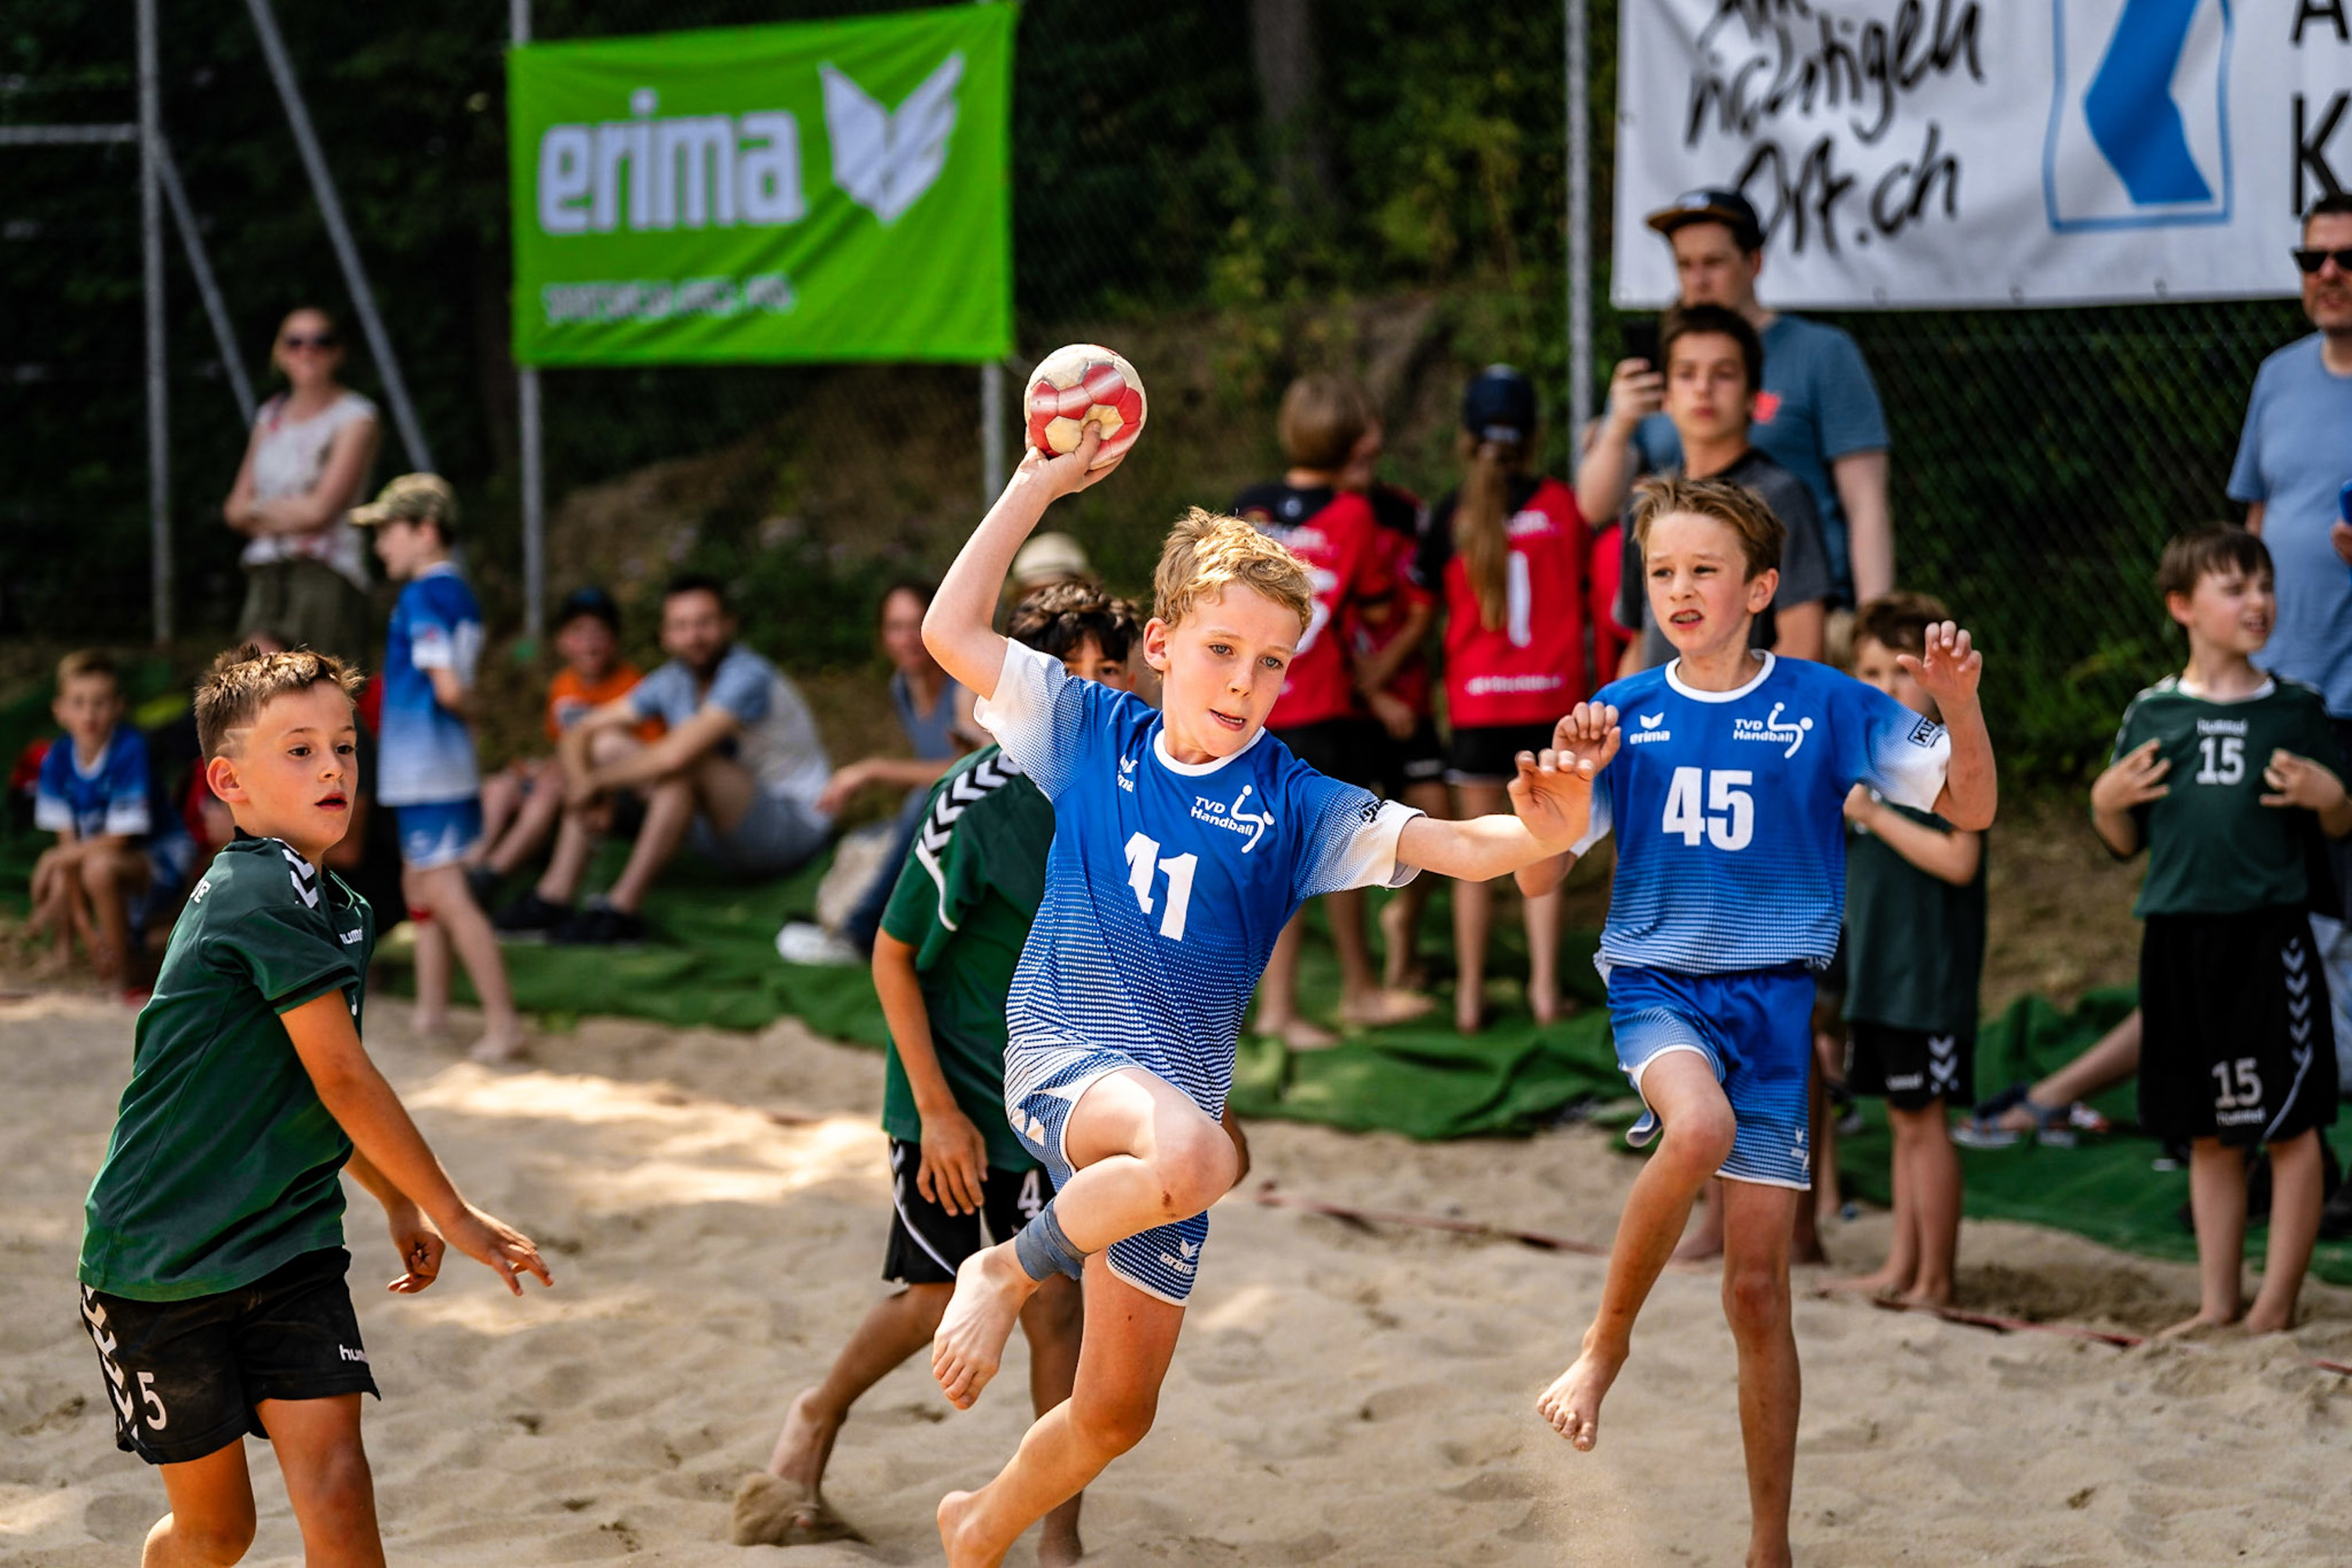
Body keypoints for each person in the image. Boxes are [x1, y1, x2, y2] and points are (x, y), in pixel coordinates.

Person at [916, 428, 1600, 1567]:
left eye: (1272, 662)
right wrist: (1036, 480)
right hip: (1060, 1056)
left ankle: (977, 1527)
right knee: (1204, 1155)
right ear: (1162, 643)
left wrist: (1546, 832)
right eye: (1222, 649)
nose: (1244, 680)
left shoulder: (1295, 799)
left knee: (1116, 1416)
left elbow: (1458, 845)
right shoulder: (1090, 727)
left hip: (1168, 1125)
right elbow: (950, 632)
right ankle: (1004, 1267)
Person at [1517, 475, 1994, 1568]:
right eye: (1661, 572)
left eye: (1704, 570)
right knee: (1696, 1131)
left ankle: (1768, 1547)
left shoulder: (1827, 705)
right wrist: (1554, 796)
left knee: (1756, 1287)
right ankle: (1601, 1350)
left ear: (1763, 587)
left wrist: (1958, 705)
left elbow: (1971, 809)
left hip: (1776, 1010)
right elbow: (1539, 881)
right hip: (1659, 987)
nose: (1679, 589)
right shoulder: (1620, 712)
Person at [77, 645, 550, 1567]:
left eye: (344, 744)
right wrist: (452, 1211)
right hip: (159, 1262)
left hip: (289, 1243)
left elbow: (317, 1087)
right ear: (229, 781)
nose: (333, 766)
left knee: (337, 1484)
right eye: (298, 749)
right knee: (219, 1532)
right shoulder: (256, 888)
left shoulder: (339, 904)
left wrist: (395, 1198)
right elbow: (345, 1078)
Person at [732, 584, 1138, 1561]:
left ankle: (1060, 1536)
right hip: (951, 1091)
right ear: (1023, 691)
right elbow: (891, 952)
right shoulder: (979, 798)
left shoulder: (1144, 798)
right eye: (1066, 678)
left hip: (1056, 1100)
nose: (1090, 697)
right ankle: (813, 1422)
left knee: (1059, 1304)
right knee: (932, 1296)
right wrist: (936, 1111)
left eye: (1110, 675)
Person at [2089, 526, 2350, 1337]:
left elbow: (2341, 823)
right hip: (2176, 937)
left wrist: (2329, 792)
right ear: (2182, 605)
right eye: (2235, 588)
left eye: (2264, 586)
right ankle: (2217, 1300)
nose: (2259, 602)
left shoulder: (2297, 710)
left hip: (2268, 940)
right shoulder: (2153, 710)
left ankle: (2275, 1304)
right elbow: (2126, 841)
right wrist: (2105, 801)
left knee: (2288, 1124)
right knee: (2207, 1127)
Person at [1233, 373, 1433, 1043]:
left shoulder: (1247, 508)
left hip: (1249, 707)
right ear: (1351, 440)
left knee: (1273, 855)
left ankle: (1302, 1002)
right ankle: (1329, 999)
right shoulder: (1353, 515)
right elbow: (1373, 608)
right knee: (1333, 853)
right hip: (1317, 710)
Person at [1579, 189, 1893, 608]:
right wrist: (1618, 427)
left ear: (1754, 262)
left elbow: (1866, 502)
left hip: (1803, 605)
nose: (1698, 280)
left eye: (1713, 263)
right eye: (1685, 265)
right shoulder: (1658, 365)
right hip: (1689, 612)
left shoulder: (1821, 354)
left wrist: (1874, 622)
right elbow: (1595, 506)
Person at [497, 574, 834, 944]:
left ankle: (622, 908)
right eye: (682, 626)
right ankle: (554, 898)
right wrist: (582, 782)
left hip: (791, 828)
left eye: (705, 623)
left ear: (728, 625)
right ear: (666, 635)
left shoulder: (746, 675)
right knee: (607, 745)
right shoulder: (672, 679)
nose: (694, 636)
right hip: (720, 829)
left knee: (686, 761)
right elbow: (580, 731)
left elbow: (676, 755)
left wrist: (596, 783)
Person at [1415, 365, 1592, 1033]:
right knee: (1545, 848)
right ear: (1535, 434)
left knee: (1472, 856)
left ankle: (1467, 998)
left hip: (1476, 712)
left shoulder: (1449, 513)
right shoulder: (1562, 506)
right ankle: (1545, 991)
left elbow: (1426, 612)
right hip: (1548, 707)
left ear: (1466, 437)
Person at [1825, 593, 1987, 1308]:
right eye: (1866, 673)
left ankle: (1937, 1279)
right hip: (1879, 975)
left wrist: (1873, 818)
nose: (1882, 689)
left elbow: (1960, 860)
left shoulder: (1948, 752)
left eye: (1897, 673)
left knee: (1926, 1122)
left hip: (1928, 975)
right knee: (1900, 1118)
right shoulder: (1867, 759)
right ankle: (1902, 1265)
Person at [2229, 192, 2352, 1079]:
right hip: (2279, 694)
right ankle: (2289, 1127)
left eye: (2348, 259)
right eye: (2314, 261)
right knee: (2281, 924)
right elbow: (2255, 524)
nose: (2331, 276)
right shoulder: (2277, 374)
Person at [354, 474, 527, 1064]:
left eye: (388, 532)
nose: (381, 548)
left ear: (425, 531)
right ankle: (432, 1013)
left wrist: (477, 715)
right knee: (420, 886)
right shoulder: (460, 593)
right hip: (433, 767)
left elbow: (449, 689)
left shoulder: (423, 596)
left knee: (447, 893)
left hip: (426, 769)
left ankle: (504, 1024)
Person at [1612, 305, 1833, 672]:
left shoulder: (1780, 496)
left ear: (1753, 397)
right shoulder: (1645, 504)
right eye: (1686, 374)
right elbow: (1640, 642)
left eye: (1724, 374)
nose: (1703, 388)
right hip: (1664, 723)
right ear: (1665, 395)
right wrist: (1620, 716)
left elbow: (1802, 643)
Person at [464, 586, 659, 902]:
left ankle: (493, 876)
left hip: (615, 789)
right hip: (572, 776)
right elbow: (561, 743)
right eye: (579, 632)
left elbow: (649, 756)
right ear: (563, 641)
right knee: (501, 786)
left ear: (615, 640)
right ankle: (470, 865)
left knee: (551, 784)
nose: (590, 642)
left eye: (600, 632)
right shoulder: (563, 685)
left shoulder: (635, 687)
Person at [1346, 429, 1451, 994]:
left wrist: (1385, 680)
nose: (1365, 445)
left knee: (1436, 818)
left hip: (1405, 696)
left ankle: (1403, 925)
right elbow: (1318, 626)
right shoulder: (1317, 517)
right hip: (1348, 707)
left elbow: (1422, 610)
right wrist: (1370, 695)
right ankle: (1361, 980)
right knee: (1347, 838)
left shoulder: (1407, 512)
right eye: (1351, 437)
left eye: (1369, 434)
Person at [220, 307, 381, 666]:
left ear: (338, 352)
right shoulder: (271, 414)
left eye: (320, 340)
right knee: (252, 681)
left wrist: (258, 512)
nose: (307, 350)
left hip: (326, 572)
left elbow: (321, 512)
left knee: (317, 688)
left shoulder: (356, 416)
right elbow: (233, 509)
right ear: (280, 351)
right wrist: (296, 510)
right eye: (295, 341)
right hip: (267, 571)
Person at [29, 652, 194, 993]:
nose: (89, 713)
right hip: (102, 860)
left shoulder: (130, 749)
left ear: (118, 707)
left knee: (96, 867)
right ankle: (75, 954)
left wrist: (54, 859)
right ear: (60, 710)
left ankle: (119, 977)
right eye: (79, 702)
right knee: (70, 870)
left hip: (163, 859)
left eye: (100, 703)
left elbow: (119, 841)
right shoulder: (57, 758)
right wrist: (88, 934)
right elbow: (69, 851)